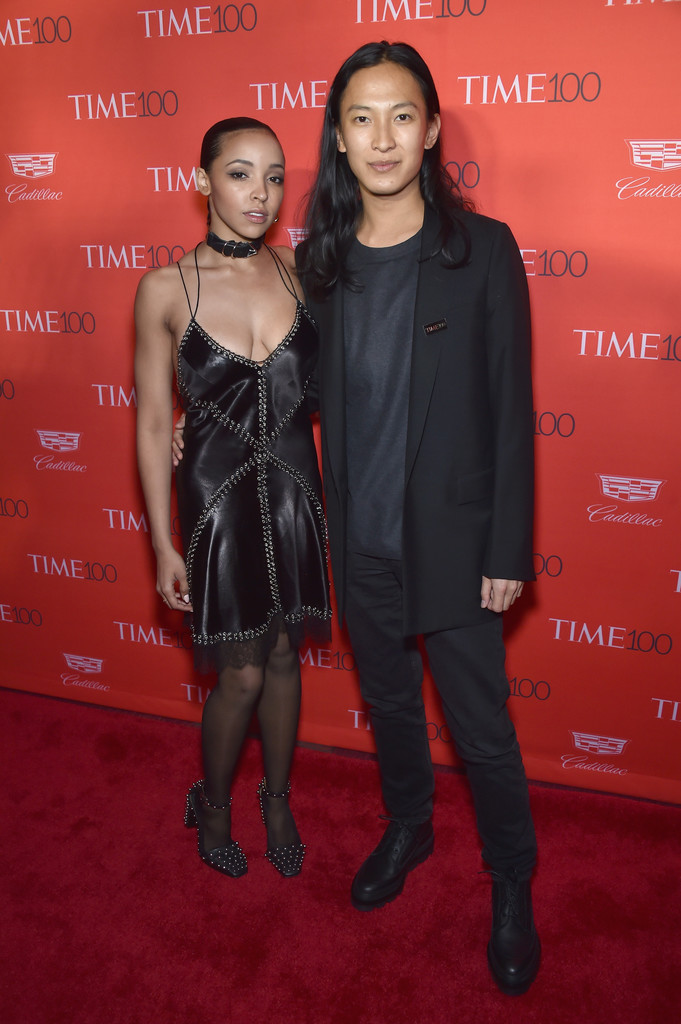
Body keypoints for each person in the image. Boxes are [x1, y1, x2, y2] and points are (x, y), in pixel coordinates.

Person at [295, 42, 540, 995]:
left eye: (402, 115)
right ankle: (409, 827)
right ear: (339, 138)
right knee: (392, 707)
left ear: (431, 129)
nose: (382, 137)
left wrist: (506, 547)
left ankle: (511, 882)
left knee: (481, 730)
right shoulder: (320, 262)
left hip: (456, 540)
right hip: (359, 538)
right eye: (361, 118)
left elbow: (511, 410)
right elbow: (300, 394)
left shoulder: (483, 250)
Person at [135, 117, 331, 881]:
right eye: (241, 173)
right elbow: (155, 422)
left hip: (294, 490)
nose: (261, 193)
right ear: (201, 181)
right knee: (242, 670)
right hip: (215, 498)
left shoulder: (303, 271)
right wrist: (161, 542)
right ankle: (213, 805)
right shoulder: (165, 288)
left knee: (283, 657)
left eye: (275, 177)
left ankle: (276, 801)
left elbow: (335, 381)